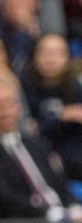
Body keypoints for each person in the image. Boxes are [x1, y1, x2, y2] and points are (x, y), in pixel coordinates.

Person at [0, 72, 82, 221]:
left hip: (61, 217)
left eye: (10, 103)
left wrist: (73, 206)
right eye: (0, 105)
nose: (6, 111)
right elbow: (4, 197)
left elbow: (58, 182)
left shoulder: (35, 144)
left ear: (19, 107)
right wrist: (48, 214)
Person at [20, 32, 82, 182]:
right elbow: (29, 129)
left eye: (56, 53)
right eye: (45, 52)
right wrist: (62, 115)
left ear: (67, 57)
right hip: (40, 156)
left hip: (72, 155)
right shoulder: (25, 86)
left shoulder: (75, 87)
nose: (50, 59)